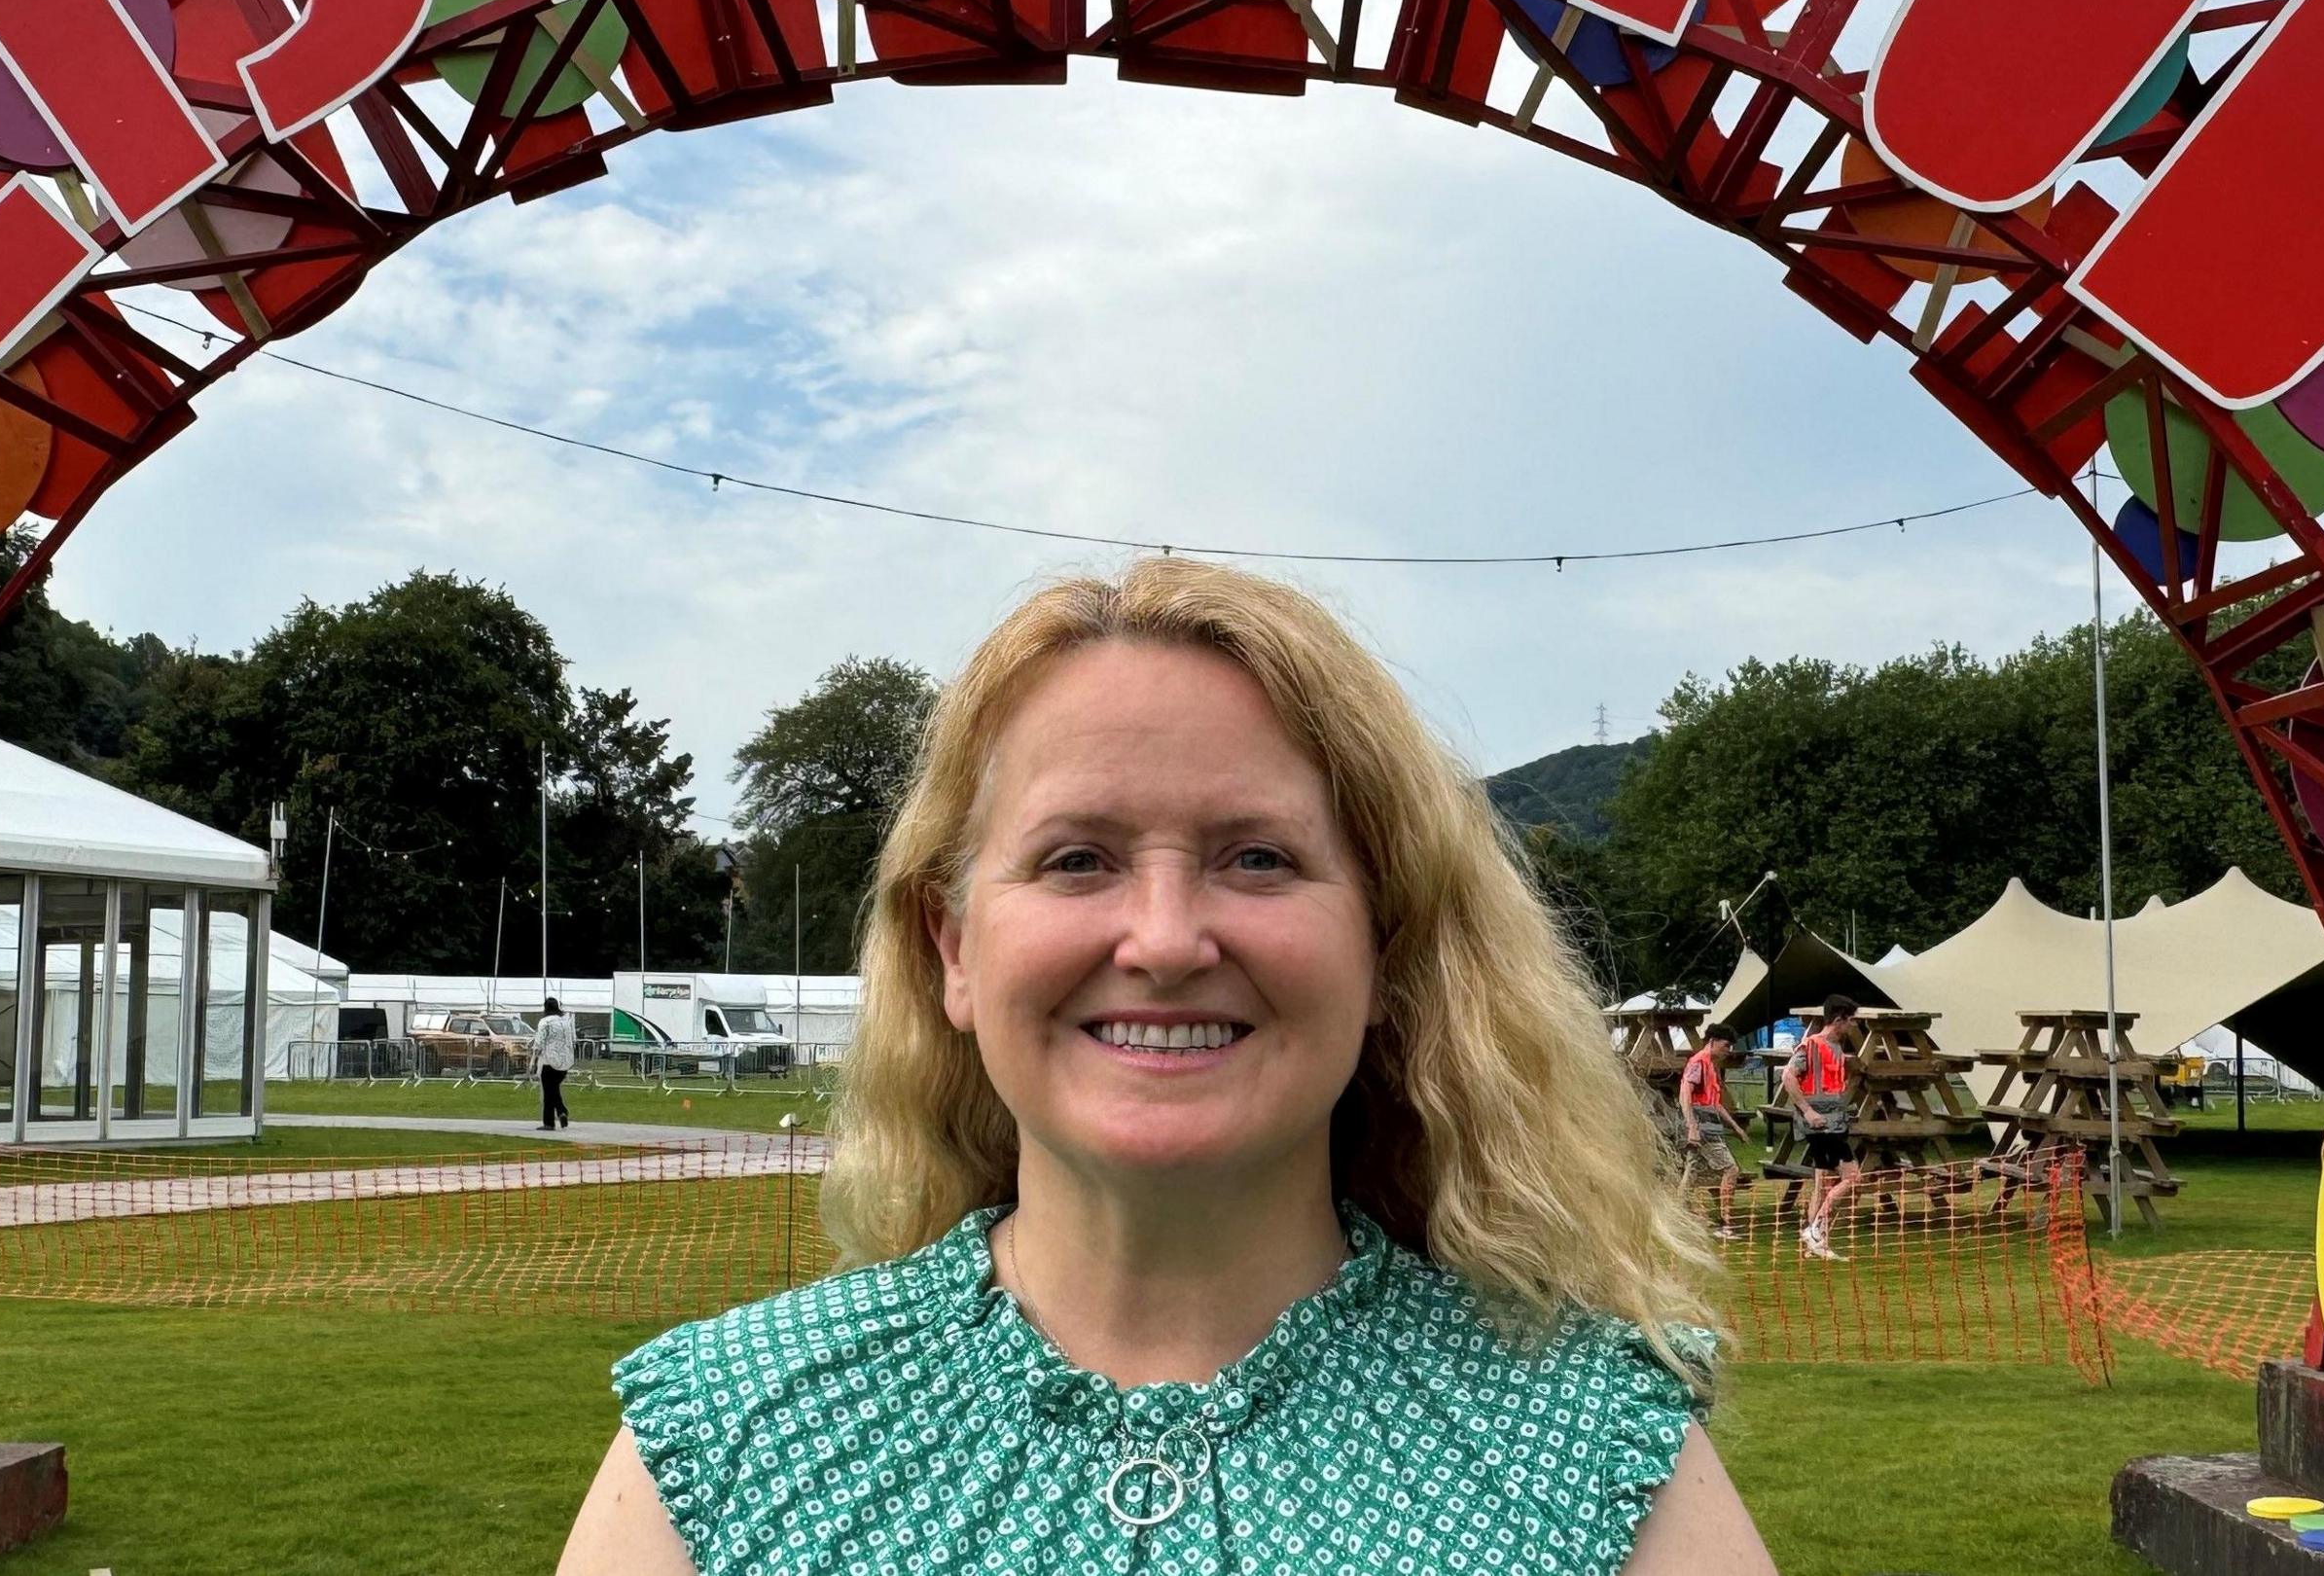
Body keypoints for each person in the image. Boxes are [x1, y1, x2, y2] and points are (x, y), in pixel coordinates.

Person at [556, 558, 1769, 1575]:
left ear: (1384, 946)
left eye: (1257, 857)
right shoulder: (729, 1441)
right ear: (954, 948)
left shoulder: (1590, 1444)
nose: (1167, 938)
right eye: (1078, 858)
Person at [1785, 998, 1862, 1261]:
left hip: (1834, 1123)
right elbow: (1788, 1077)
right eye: (1852, 1019)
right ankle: (1815, 1230)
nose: (1855, 1024)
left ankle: (1815, 1246)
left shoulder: (1837, 1048)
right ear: (1839, 1019)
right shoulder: (1811, 1045)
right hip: (1820, 1125)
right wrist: (1808, 1111)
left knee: (1822, 1182)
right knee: (1852, 1176)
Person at [1676, 1023, 1751, 1239]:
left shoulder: (1710, 1065)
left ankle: (1679, 1218)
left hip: (1707, 1127)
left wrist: (1735, 1127)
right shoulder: (1699, 1062)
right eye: (1726, 1045)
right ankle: (1726, 1224)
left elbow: (1715, 1103)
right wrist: (1692, 1126)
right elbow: (1685, 1093)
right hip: (1703, 1129)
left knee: (1691, 1173)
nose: (1728, 1050)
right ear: (1712, 1041)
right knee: (1731, 1169)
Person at [531, 997, 575, 1132]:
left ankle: (550, 1121)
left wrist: (533, 1061)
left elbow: (539, 1043)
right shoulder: (566, 1021)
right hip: (566, 1061)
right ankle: (561, 1112)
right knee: (554, 1089)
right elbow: (573, 1039)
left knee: (549, 1092)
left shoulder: (545, 1022)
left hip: (550, 1060)